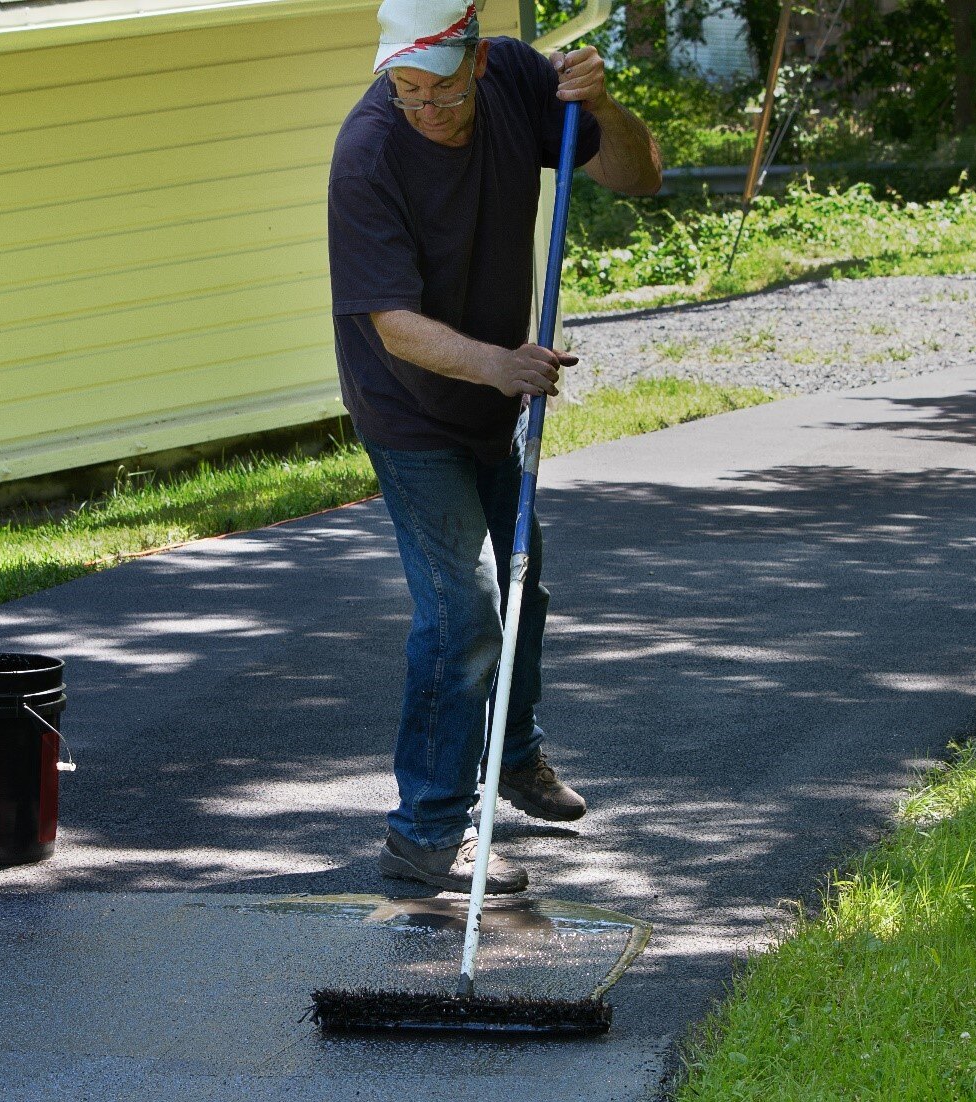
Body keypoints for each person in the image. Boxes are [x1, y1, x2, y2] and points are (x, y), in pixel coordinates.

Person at [328, 0, 661, 893]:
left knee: (523, 587)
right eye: (403, 91)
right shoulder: (369, 154)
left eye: (438, 92)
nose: (422, 111)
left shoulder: (519, 79)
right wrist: (501, 365)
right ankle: (426, 834)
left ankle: (512, 757)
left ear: (476, 63)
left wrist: (603, 107)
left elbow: (638, 179)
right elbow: (392, 325)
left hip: (489, 401)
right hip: (407, 408)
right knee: (465, 608)